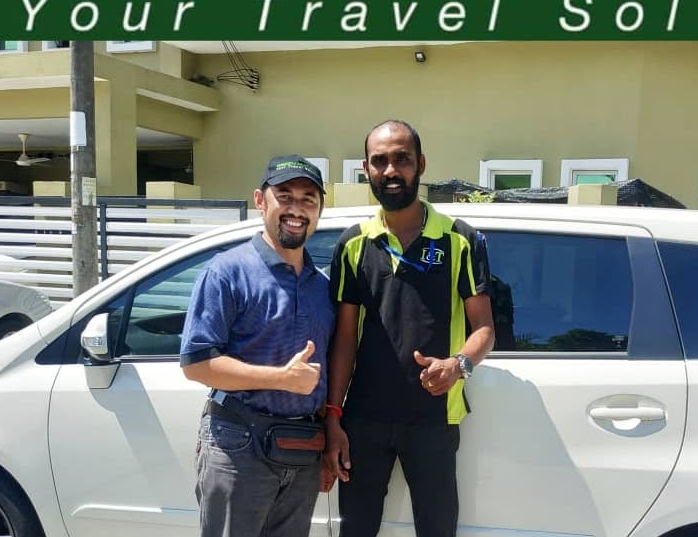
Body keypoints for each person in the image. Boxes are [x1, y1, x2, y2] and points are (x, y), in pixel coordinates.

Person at [324, 120, 496, 537]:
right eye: (379, 161)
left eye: (401, 158)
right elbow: (344, 339)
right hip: (363, 420)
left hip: (433, 419)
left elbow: (485, 329)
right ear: (366, 170)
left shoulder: (460, 240)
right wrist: (333, 417)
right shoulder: (352, 244)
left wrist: (457, 365)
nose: (390, 170)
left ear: (420, 164)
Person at [180, 154, 335, 537]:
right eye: (285, 197)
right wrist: (280, 378)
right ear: (260, 201)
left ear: (319, 210)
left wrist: (325, 441)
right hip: (238, 445)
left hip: (302, 448)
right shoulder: (227, 272)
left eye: (308, 199)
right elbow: (196, 363)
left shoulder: (322, 287)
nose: (296, 209)